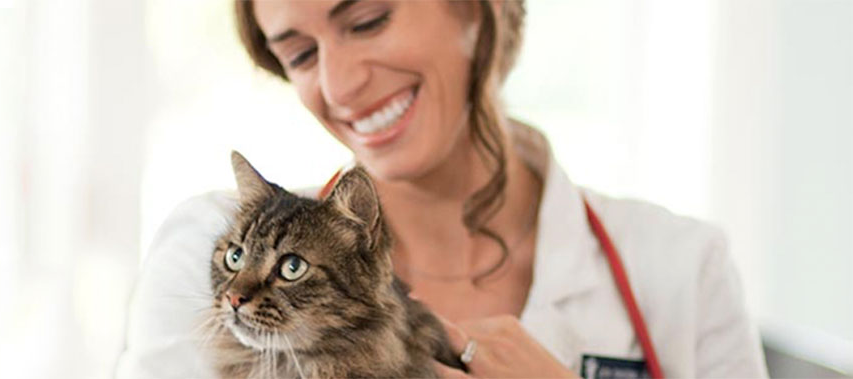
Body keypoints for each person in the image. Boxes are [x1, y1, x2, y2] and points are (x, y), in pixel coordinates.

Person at [116, 1, 768, 378]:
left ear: (477, 11)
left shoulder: (685, 268)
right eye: (301, 54)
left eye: (368, 19)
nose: (340, 87)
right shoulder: (207, 246)